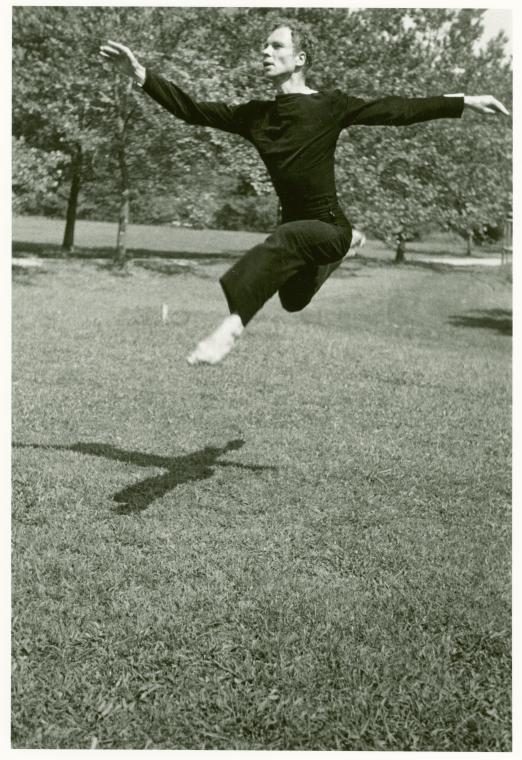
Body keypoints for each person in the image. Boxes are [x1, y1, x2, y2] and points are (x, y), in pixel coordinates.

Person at [100, 23, 509, 365]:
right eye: (264, 44)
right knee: (292, 299)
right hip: (300, 233)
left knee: (287, 238)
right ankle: (344, 251)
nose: (264, 51)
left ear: (299, 59)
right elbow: (191, 109)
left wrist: (463, 101)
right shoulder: (255, 116)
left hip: (328, 226)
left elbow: (395, 110)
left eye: (276, 45)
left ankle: (232, 327)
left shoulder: (330, 106)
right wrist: (141, 75)